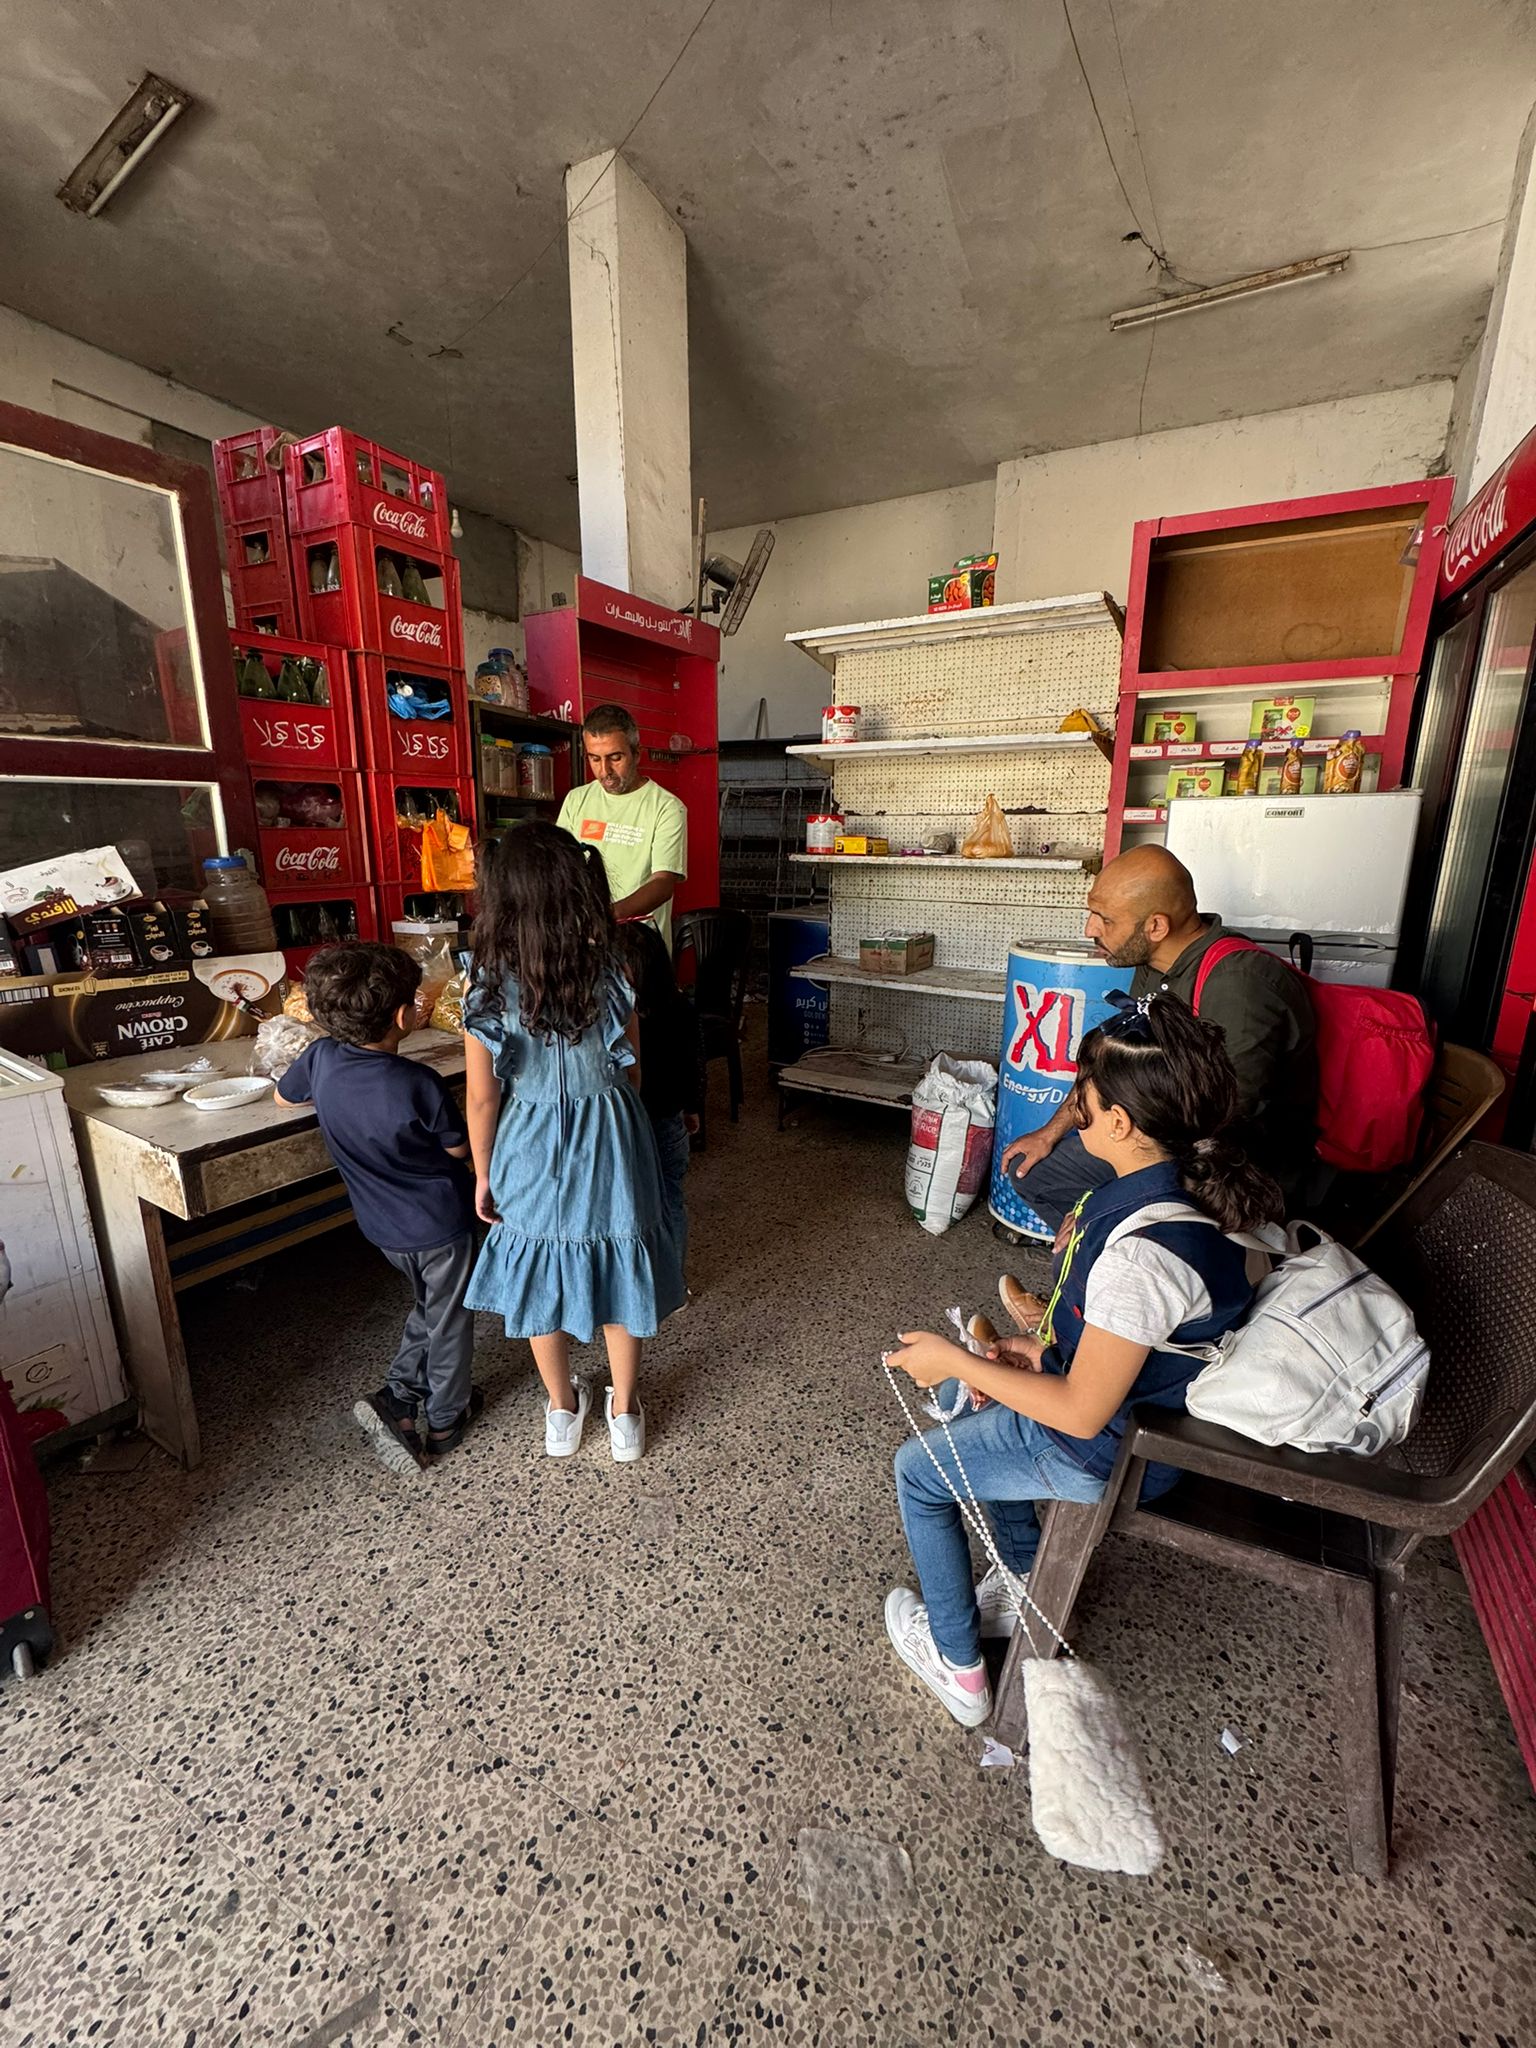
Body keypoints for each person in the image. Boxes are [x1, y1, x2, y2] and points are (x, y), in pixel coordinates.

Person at [883, 993, 1281, 1728]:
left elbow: (1080, 1410)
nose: (1078, 1114)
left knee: (921, 1471)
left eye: (1085, 1103)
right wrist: (1037, 1349)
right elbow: (1142, 1342)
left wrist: (958, 1362)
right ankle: (1026, 1572)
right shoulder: (1194, 1197)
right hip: (1152, 1420)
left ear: (1120, 1124)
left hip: (1115, 1449)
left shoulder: (1139, 1258)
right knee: (996, 1398)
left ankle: (959, 1668)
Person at [462, 821, 685, 1462]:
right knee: (620, 1267)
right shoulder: (614, 971)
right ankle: (623, 1416)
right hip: (613, 1133)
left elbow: (482, 1098)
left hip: (526, 1142)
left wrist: (484, 1172)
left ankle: (562, 1412)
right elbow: (633, 1071)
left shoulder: (487, 985)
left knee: (538, 1275)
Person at [1000, 844, 1318, 1283]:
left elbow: (1225, 1123)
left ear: (1155, 925)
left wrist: (1112, 1201)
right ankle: (1106, 1268)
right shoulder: (1154, 962)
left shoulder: (1240, 984)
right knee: (1033, 1172)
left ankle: (1138, 1291)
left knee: (1105, 1213)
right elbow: (1110, 1057)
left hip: (1236, 1163)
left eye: (1105, 919)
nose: (1090, 928)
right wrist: (1051, 1132)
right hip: (1160, 1132)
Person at [275, 942, 479, 1477]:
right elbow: (460, 1150)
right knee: (451, 1317)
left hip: (381, 1228)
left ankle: (399, 1391)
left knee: (429, 1306)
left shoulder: (318, 1057)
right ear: (400, 1016)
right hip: (440, 1224)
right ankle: (445, 1418)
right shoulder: (418, 1083)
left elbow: (283, 1098)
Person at [556, 703, 688, 953]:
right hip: (586, 946)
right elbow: (561, 868)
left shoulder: (666, 807)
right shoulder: (576, 800)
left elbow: (663, 883)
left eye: (615, 758)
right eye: (595, 759)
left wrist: (607, 916)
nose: (604, 771)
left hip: (640, 951)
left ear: (636, 753)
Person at [615, 920, 703, 1288]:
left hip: (634, 1124)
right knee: (671, 1201)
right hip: (671, 1119)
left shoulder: (620, 1016)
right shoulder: (681, 1006)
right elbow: (693, 1064)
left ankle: (635, 1286)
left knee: (633, 1205)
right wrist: (693, 1107)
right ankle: (673, 1284)